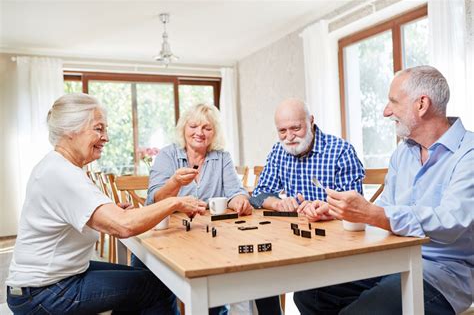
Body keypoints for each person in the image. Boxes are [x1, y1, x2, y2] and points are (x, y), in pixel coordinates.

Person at [294, 66, 474, 314]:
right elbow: (384, 210)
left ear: (422, 104)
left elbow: (453, 221)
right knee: (310, 293)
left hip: (440, 274)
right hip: (391, 260)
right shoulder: (403, 152)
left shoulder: (469, 154)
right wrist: (344, 212)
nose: (386, 111)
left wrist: (372, 214)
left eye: (393, 102)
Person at [6, 93, 207, 315]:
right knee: (156, 287)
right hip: (43, 293)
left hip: (50, 281)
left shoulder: (59, 167)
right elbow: (123, 226)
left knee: (147, 280)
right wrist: (174, 201)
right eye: (99, 129)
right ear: (70, 130)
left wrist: (107, 215)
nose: (106, 137)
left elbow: (84, 217)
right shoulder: (61, 173)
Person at [139, 103, 281, 315]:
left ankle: (218, 307)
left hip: (211, 237)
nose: (199, 133)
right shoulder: (168, 155)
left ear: (214, 133)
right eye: (194, 126)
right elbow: (155, 198)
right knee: (156, 282)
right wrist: (174, 183)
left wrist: (240, 200)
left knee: (252, 265)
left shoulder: (221, 157)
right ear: (183, 128)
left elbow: (235, 191)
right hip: (173, 235)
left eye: (207, 128)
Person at [250, 98, 364, 221]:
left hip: (334, 232)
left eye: (296, 128)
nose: (289, 137)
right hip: (297, 229)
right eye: (282, 131)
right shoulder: (279, 150)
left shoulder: (341, 151)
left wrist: (324, 209)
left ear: (311, 121)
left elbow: (353, 206)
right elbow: (259, 193)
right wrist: (278, 204)